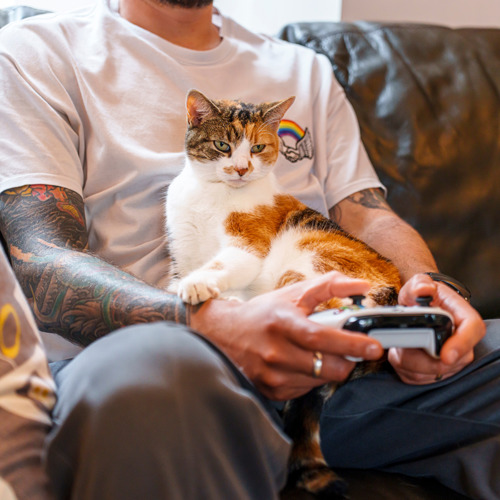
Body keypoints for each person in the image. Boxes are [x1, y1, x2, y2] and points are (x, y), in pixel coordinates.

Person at [0, 0, 497, 499]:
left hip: (336, 351)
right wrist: (207, 325)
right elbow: (41, 260)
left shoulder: (304, 70)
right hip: (157, 351)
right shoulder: (37, 51)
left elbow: (367, 213)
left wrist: (431, 293)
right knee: (152, 382)